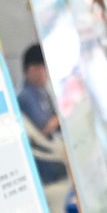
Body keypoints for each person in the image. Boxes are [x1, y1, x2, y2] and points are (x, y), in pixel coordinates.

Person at [18, 44, 70, 186]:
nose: (47, 73)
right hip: (49, 164)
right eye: (44, 68)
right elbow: (43, 132)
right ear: (32, 69)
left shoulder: (43, 92)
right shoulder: (25, 98)